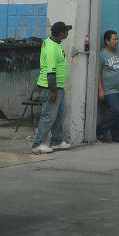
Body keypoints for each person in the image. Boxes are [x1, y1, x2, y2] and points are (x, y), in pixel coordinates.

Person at [33, 21, 73, 154]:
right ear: (61, 33)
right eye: (66, 31)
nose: (67, 33)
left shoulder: (54, 43)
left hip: (58, 87)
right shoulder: (51, 48)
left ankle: (56, 140)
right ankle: (38, 144)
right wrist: (53, 91)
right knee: (49, 115)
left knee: (61, 113)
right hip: (50, 87)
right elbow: (51, 72)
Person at [97, 29, 119, 143]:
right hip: (110, 89)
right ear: (107, 41)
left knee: (118, 114)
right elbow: (98, 73)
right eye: (114, 39)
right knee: (116, 110)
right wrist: (100, 90)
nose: (117, 41)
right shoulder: (102, 54)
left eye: (117, 39)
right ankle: (100, 130)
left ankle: (116, 136)